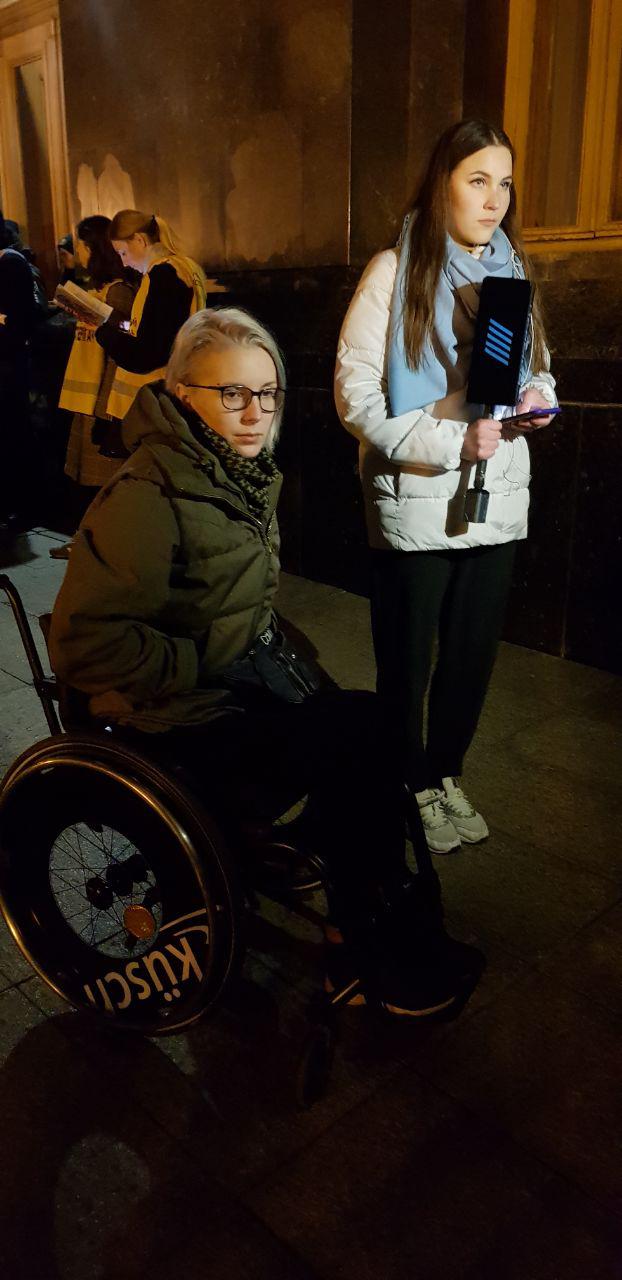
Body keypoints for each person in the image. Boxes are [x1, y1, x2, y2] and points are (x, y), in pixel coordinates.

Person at [49, 305, 484, 1018]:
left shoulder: (234, 474)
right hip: (170, 723)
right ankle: (363, 949)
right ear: (182, 393)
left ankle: (362, 913)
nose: (255, 413)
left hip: (229, 687)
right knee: (353, 741)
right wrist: (203, 658)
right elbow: (85, 644)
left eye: (267, 393)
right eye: (232, 393)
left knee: (374, 724)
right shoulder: (147, 496)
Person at [334, 119, 557, 854]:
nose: (495, 199)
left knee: (470, 658)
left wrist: (537, 399)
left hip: (498, 494)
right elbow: (357, 398)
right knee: (407, 660)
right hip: (416, 500)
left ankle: (444, 772)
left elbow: (536, 366)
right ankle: (407, 783)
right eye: (477, 180)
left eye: (504, 183)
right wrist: (448, 441)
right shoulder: (394, 272)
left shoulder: (511, 271)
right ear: (443, 184)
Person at [56, 216, 136, 540]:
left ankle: (105, 541)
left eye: (84, 247)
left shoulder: (119, 292)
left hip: (102, 397)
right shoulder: (100, 290)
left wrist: (107, 322)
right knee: (87, 480)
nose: (80, 253)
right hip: (87, 394)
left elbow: (127, 338)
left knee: (104, 477)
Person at [94, 209, 208, 421]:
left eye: (123, 253)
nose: (124, 263)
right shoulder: (186, 267)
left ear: (140, 240)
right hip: (179, 384)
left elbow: (149, 353)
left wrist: (104, 335)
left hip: (155, 397)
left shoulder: (163, 276)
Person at [0, 210, 37, 529]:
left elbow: (19, 321)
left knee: (13, 433)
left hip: (8, 366)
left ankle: (21, 506)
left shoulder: (11, 263)